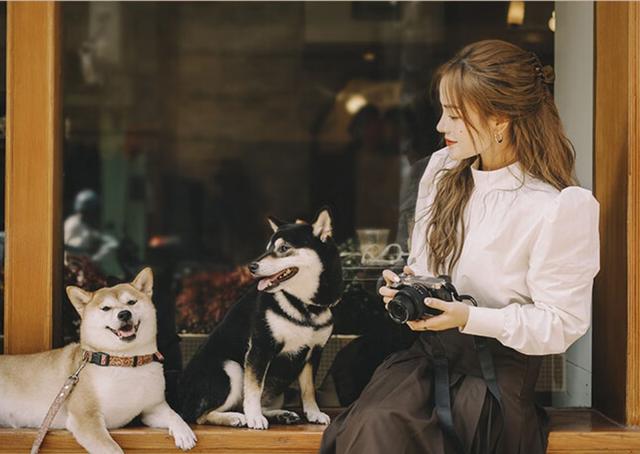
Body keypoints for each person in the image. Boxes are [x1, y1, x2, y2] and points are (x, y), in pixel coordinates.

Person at [319, 39, 600, 454]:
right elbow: (422, 263)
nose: (440, 128)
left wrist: (469, 317)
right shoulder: (443, 171)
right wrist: (409, 286)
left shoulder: (559, 207)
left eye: (454, 115)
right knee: (375, 426)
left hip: (494, 381)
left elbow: (560, 325)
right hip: (422, 366)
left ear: (500, 119)